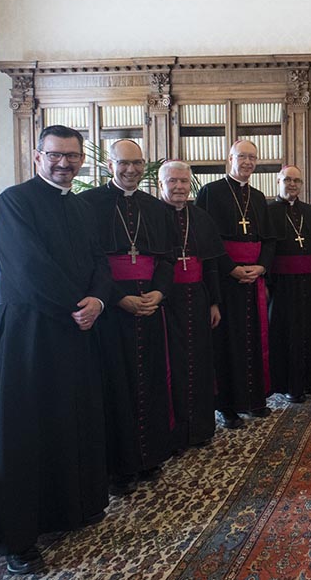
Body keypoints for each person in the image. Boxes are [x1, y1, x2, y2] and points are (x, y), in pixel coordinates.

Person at [0, 125, 111, 575]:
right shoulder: (14, 201)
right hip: (28, 337)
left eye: (72, 156)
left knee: (70, 422)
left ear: (83, 160)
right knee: (24, 434)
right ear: (37, 156)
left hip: (74, 331)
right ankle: (18, 539)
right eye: (55, 155)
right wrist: (78, 306)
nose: (64, 163)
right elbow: (29, 268)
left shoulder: (85, 207)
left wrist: (99, 300)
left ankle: (69, 511)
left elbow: (100, 262)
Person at [78, 138, 176, 495]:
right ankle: (118, 466)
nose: (131, 170)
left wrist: (159, 293)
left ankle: (149, 456)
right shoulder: (87, 205)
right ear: (109, 166)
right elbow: (90, 262)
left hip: (149, 306)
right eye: (124, 163)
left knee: (149, 380)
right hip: (109, 311)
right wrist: (118, 299)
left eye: (137, 163)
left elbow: (166, 259)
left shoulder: (156, 207)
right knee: (114, 385)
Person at [195, 139, 277, 429]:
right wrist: (232, 269)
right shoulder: (210, 192)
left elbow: (268, 239)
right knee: (227, 342)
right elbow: (206, 239)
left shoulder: (257, 196)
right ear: (229, 158)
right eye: (242, 156)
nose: (248, 162)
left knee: (254, 339)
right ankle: (227, 406)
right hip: (225, 279)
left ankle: (254, 399)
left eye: (252, 158)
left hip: (253, 278)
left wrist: (261, 266)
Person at [159, 161, 226, 449]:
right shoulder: (152, 215)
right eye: (172, 181)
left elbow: (210, 264)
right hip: (166, 300)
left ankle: (199, 429)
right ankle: (173, 434)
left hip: (197, 299)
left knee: (199, 361)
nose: (178, 187)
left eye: (184, 182)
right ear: (161, 183)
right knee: (169, 364)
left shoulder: (201, 217)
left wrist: (214, 302)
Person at [267, 165, 311, 402]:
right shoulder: (268, 211)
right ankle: (288, 384)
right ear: (278, 182)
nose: (292, 184)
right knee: (286, 331)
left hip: (310, 282)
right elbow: (266, 249)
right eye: (287, 180)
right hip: (282, 285)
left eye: (297, 181)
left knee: (310, 329)